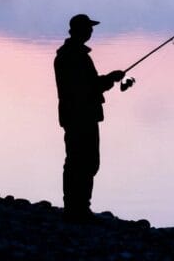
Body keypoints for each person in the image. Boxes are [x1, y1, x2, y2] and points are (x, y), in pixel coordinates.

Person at [54, 13, 125, 221]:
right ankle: (78, 209)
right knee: (84, 161)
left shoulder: (69, 54)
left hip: (76, 114)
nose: (91, 32)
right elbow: (86, 87)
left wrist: (108, 79)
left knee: (79, 161)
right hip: (81, 115)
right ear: (80, 31)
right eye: (89, 28)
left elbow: (87, 85)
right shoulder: (74, 56)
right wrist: (111, 79)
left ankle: (75, 207)